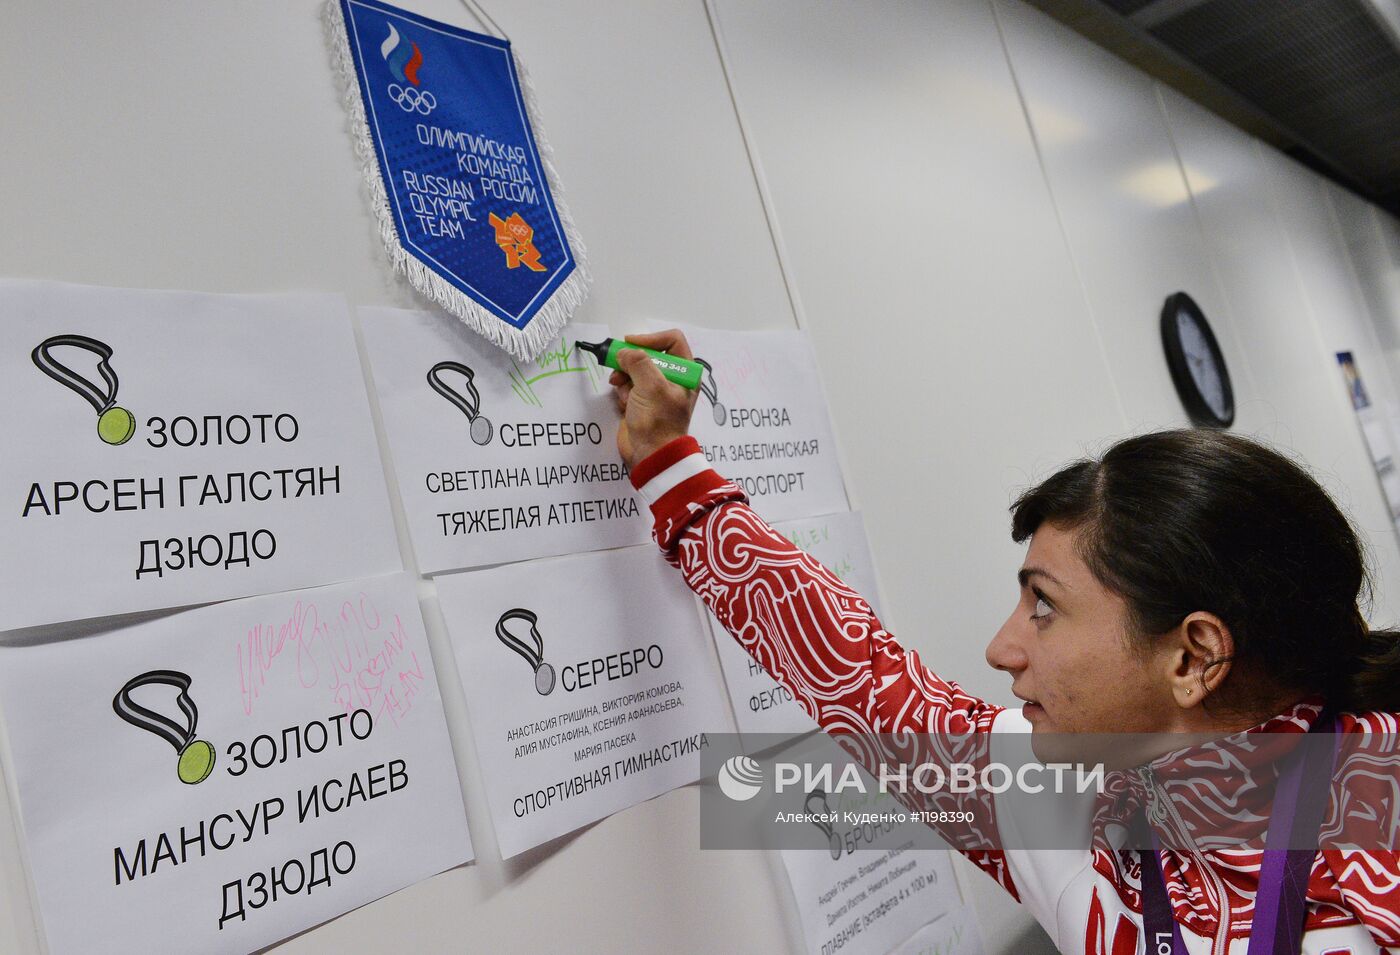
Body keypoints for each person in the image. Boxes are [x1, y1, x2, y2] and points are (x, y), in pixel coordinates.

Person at [608, 329, 1400, 955]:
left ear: (1193, 658)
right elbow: (868, 682)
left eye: (1044, 607)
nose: (1001, 647)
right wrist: (669, 463)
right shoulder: (1102, 792)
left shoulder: (1371, 879)